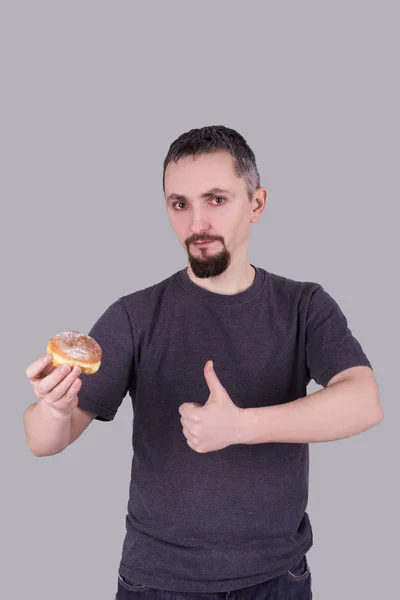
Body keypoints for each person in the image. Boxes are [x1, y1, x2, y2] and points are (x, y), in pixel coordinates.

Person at [24, 125, 383, 600]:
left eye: (216, 200)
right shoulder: (134, 315)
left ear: (256, 204)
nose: (196, 224)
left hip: (277, 577)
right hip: (157, 581)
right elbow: (44, 442)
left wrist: (239, 427)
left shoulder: (304, 305)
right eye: (180, 204)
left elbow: (364, 401)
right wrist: (53, 409)